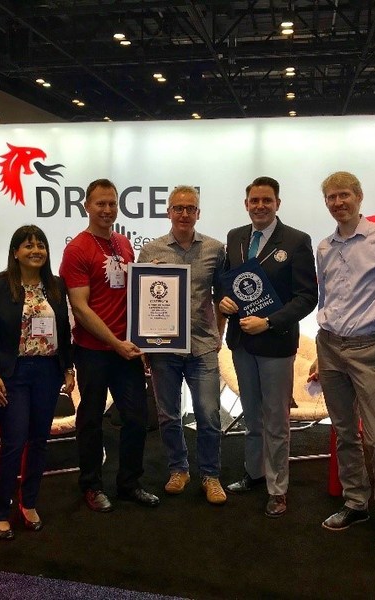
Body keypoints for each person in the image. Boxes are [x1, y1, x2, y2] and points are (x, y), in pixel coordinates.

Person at [310, 171, 375, 553]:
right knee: (344, 431)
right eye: (331, 197)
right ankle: (355, 502)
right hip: (329, 345)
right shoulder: (324, 247)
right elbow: (326, 301)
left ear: (359, 196)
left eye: (344, 195)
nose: (338, 202)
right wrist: (319, 354)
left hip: (369, 348)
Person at [219, 176, 318, 518]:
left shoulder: (296, 240)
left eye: (267, 200)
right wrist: (224, 301)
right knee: (252, 415)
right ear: (246, 204)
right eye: (254, 200)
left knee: (276, 420)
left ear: (278, 203)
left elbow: (307, 297)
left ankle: (278, 489)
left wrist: (271, 321)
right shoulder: (235, 237)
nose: (260, 205)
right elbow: (227, 282)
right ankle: (254, 472)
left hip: (275, 343)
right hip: (242, 342)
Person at [59, 178, 159, 512]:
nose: (107, 209)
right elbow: (81, 309)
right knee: (90, 419)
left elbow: (134, 295)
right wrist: (115, 343)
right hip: (93, 351)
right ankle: (91, 485)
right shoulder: (77, 249)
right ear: (86, 206)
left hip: (125, 349)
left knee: (136, 417)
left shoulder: (122, 244)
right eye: (100, 203)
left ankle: (129, 483)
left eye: (112, 203)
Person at [0, 225, 75, 539]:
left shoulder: (56, 286)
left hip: (47, 372)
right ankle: (0, 509)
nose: (35, 251)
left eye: (41, 246)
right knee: (13, 441)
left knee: (39, 441)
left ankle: (29, 502)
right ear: (16, 252)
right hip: (11, 374)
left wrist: (68, 367)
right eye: (28, 246)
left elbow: (64, 329)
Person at [138, 185, 228, 505]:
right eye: (179, 208)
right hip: (164, 349)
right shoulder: (151, 251)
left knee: (208, 414)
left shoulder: (216, 250)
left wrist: (219, 334)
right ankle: (179, 469)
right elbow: (143, 302)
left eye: (190, 208)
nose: (185, 213)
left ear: (198, 213)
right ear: (168, 212)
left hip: (203, 345)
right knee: (168, 415)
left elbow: (223, 298)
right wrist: (146, 345)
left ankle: (210, 475)